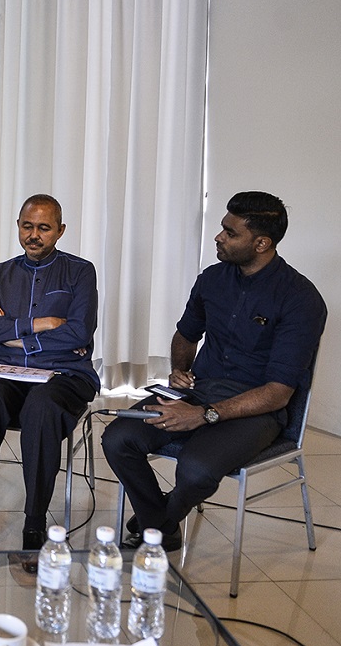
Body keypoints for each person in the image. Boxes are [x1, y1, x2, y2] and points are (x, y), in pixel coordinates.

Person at [102, 191, 327, 551]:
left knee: (196, 469)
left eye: (230, 232)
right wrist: (179, 370)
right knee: (117, 438)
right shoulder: (212, 279)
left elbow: (278, 392)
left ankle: (156, 523)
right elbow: (187, 334)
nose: (219, 237)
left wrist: (203, 415)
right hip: (199, 389)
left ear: (261, 243)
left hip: (255, 408)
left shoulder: (301, 299)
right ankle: (161, 521)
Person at [0, 194, 99, 551]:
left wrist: (14, 335)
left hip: (63, 373)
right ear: (18, 226)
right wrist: (44, 323)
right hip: (5, 371)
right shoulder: (1, 273)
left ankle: (34, 521)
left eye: (43, 228)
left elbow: (78, 333)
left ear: (60, 231)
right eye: (27, 226)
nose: (34, 235)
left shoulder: (80, 271)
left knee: (42, 409)